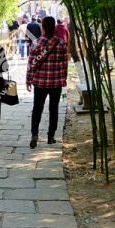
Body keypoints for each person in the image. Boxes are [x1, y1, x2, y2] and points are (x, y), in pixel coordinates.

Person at [26, 16, 68, 148]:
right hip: (56, 82)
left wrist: (28, 79)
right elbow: (64, 64)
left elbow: (31, 63)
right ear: (54, 27)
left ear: (42, 27)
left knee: (37, 109)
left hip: (39, 82)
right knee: (53, 109)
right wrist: (64, 78)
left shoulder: (36, 43)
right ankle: (51, 137)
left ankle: (34, 134)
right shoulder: (61, 43)